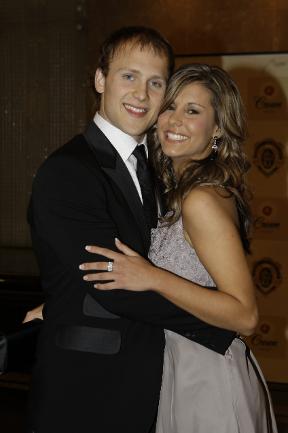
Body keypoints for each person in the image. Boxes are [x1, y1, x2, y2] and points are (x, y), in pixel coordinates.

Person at [27, 28, 237, 433]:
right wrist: (220, 317)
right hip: (89, 390)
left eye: (155, 82)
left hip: (156, 382)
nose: (142, 94)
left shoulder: (160, 167)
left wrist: (59, 303)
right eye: (129, 76)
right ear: (100, 79)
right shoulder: (68, 171)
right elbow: (112, 283)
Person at [79, 64, 278, 432]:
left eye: (193, 111)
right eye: (170, 106)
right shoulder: (183, 193)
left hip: (208, 377)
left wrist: (153, 277)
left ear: (218, 128)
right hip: (181, 368)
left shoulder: (200, 200)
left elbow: (245, 315)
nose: (173, 120)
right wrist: (60, 307)